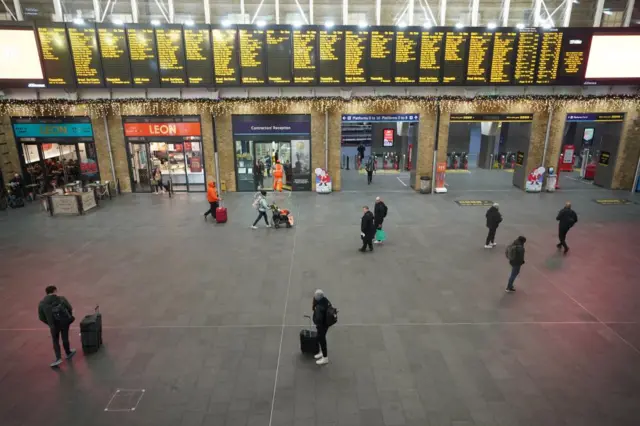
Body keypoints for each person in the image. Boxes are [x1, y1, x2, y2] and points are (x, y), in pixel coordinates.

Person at [38, 285, 76, 367]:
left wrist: (49, 323)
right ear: (55, 291)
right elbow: (70, 308)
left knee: (55, 340)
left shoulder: (42, 303)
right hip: (64, 322)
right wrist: (68, 317)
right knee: (65, 337)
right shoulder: (61, 299)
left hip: (53, 325)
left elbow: (41, 317)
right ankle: (68, 352)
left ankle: (58, 358)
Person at [312, 289, 332, 366]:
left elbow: (318, 319)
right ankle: (322, 353)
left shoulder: (319, 307)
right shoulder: (325, 300)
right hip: (326, 324)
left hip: (322, 326)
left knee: (322, 340)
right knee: (320, 338)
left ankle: (325, 358)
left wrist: (316, 323)